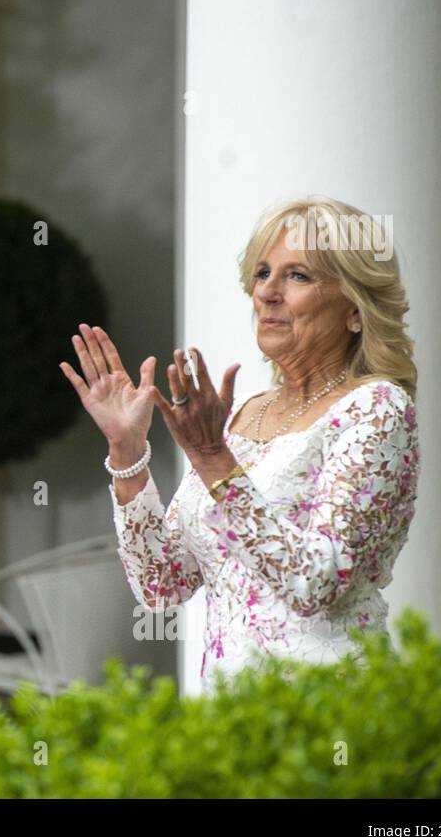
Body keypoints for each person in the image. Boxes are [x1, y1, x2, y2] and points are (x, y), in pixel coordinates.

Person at [60, 196, 420, 692]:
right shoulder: (241, 414)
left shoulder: (376, 408)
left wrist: (212, 459)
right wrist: (127, 452)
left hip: (332, 711)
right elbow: (162, 585)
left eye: (298, 276)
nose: (268, 293)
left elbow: (317, 581)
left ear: (356, 309)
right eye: (262, 273)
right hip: (230, 721)